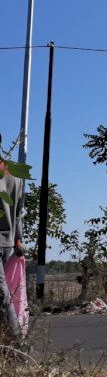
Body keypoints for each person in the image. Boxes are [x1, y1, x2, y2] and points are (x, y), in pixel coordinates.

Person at [0, 133, 25, 345]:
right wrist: (18, 240)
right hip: (7, 242)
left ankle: (18, 346)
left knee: (2, 295)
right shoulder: (14, 174)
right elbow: (18, 213)